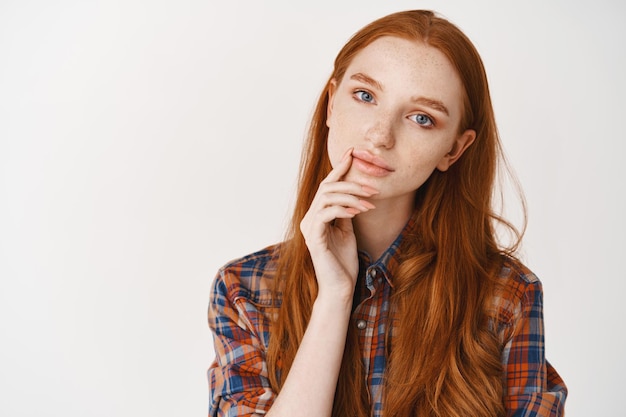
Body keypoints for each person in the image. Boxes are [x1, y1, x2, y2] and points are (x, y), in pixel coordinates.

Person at [207, 9, 567, 417]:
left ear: (454, 149)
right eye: (365, 96)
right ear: (330, 104)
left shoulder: (507, 296)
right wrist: (335, 297)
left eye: (421, 118)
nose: (380, 135)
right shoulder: (245, 290)